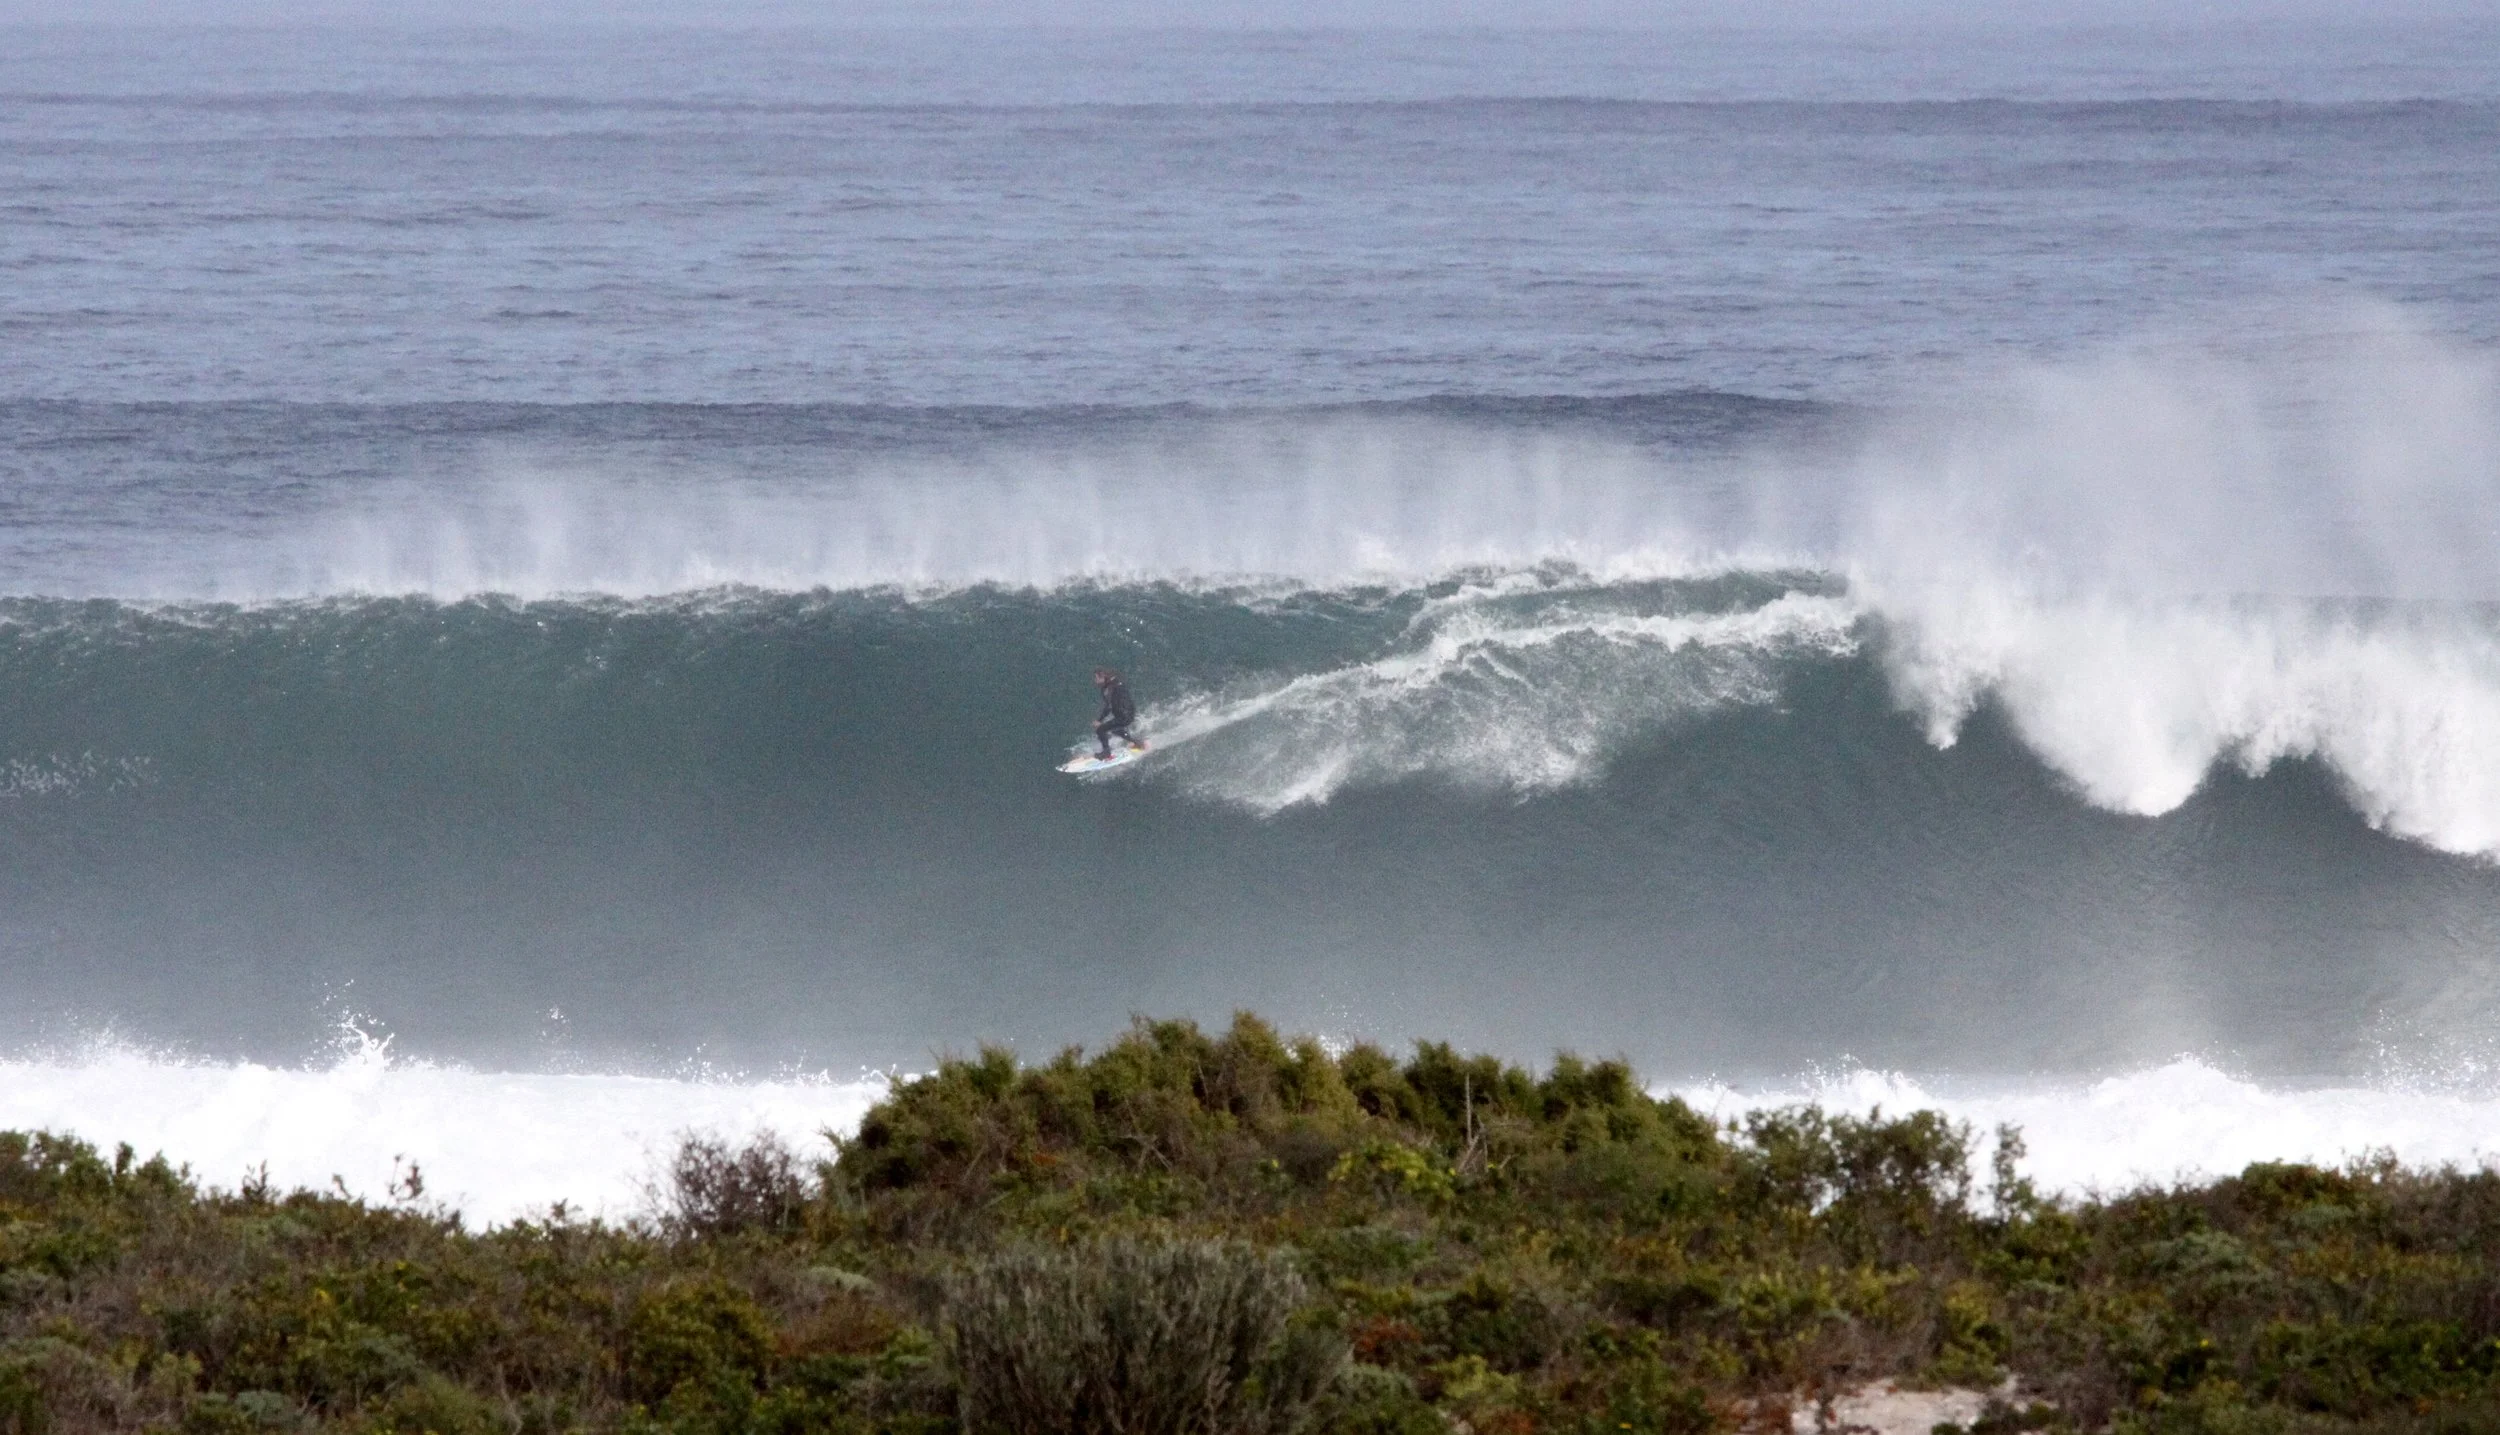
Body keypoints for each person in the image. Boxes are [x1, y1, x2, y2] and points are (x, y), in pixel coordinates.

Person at [1092, 667, 1143, 759]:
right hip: (1129, 713)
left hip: (1124, 715)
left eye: (1096, 678)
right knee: (1116, 729)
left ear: (1103, 677)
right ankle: (1137, 742)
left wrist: (1099, 720)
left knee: (1100, 729)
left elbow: (1109, 707)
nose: (1095, 681)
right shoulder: (1113, 683)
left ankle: (1106, 753)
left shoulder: (1110, 688)